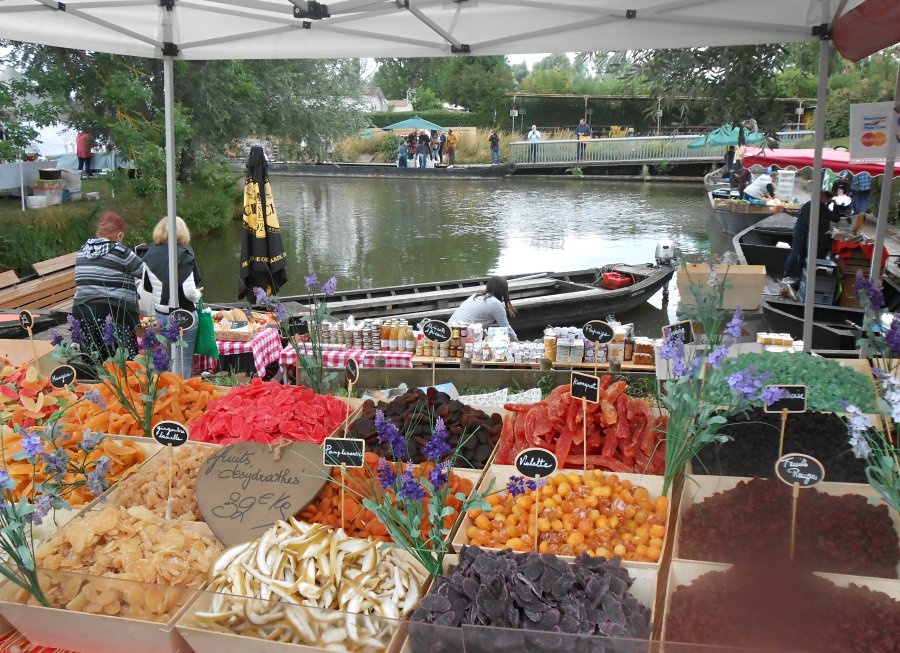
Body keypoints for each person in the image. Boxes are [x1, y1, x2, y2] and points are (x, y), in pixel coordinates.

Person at [72, 212, 145, 360]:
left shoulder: (82, 251)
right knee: (126, 365)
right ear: (119, 235)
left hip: (84, 313)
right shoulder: (121, 252)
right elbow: (146, 273)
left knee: (95, 362)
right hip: (116, 314)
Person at [141, 217, 203, 378]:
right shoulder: (183, 255)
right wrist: (198, 295)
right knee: (184, 361)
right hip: (185, 316)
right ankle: (182, 397)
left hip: (161, 315)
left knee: (165, 359)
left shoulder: (148, 255)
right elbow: (189, 292)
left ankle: (165, 396)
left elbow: (147, 286)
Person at [782, 191, 838, 286]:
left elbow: (834, 217)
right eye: (826, 200)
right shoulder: (810, 205)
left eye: (828, 201)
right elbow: (810, 221)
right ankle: (786, 275)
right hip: (801, 230)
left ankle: (800, 276)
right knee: (796, 252)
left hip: (808, 232)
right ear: (822, 196)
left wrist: (832, 204)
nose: (826, 202)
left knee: (803, 254)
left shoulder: (822, 206)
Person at [448, 276, 518, 341]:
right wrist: (517, 341)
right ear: (503, 291)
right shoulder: (496, 304)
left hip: (448, 329)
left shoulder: (476, 295)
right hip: (461, 334)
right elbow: (505, 327)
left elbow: (477, 319)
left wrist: (486, 335)